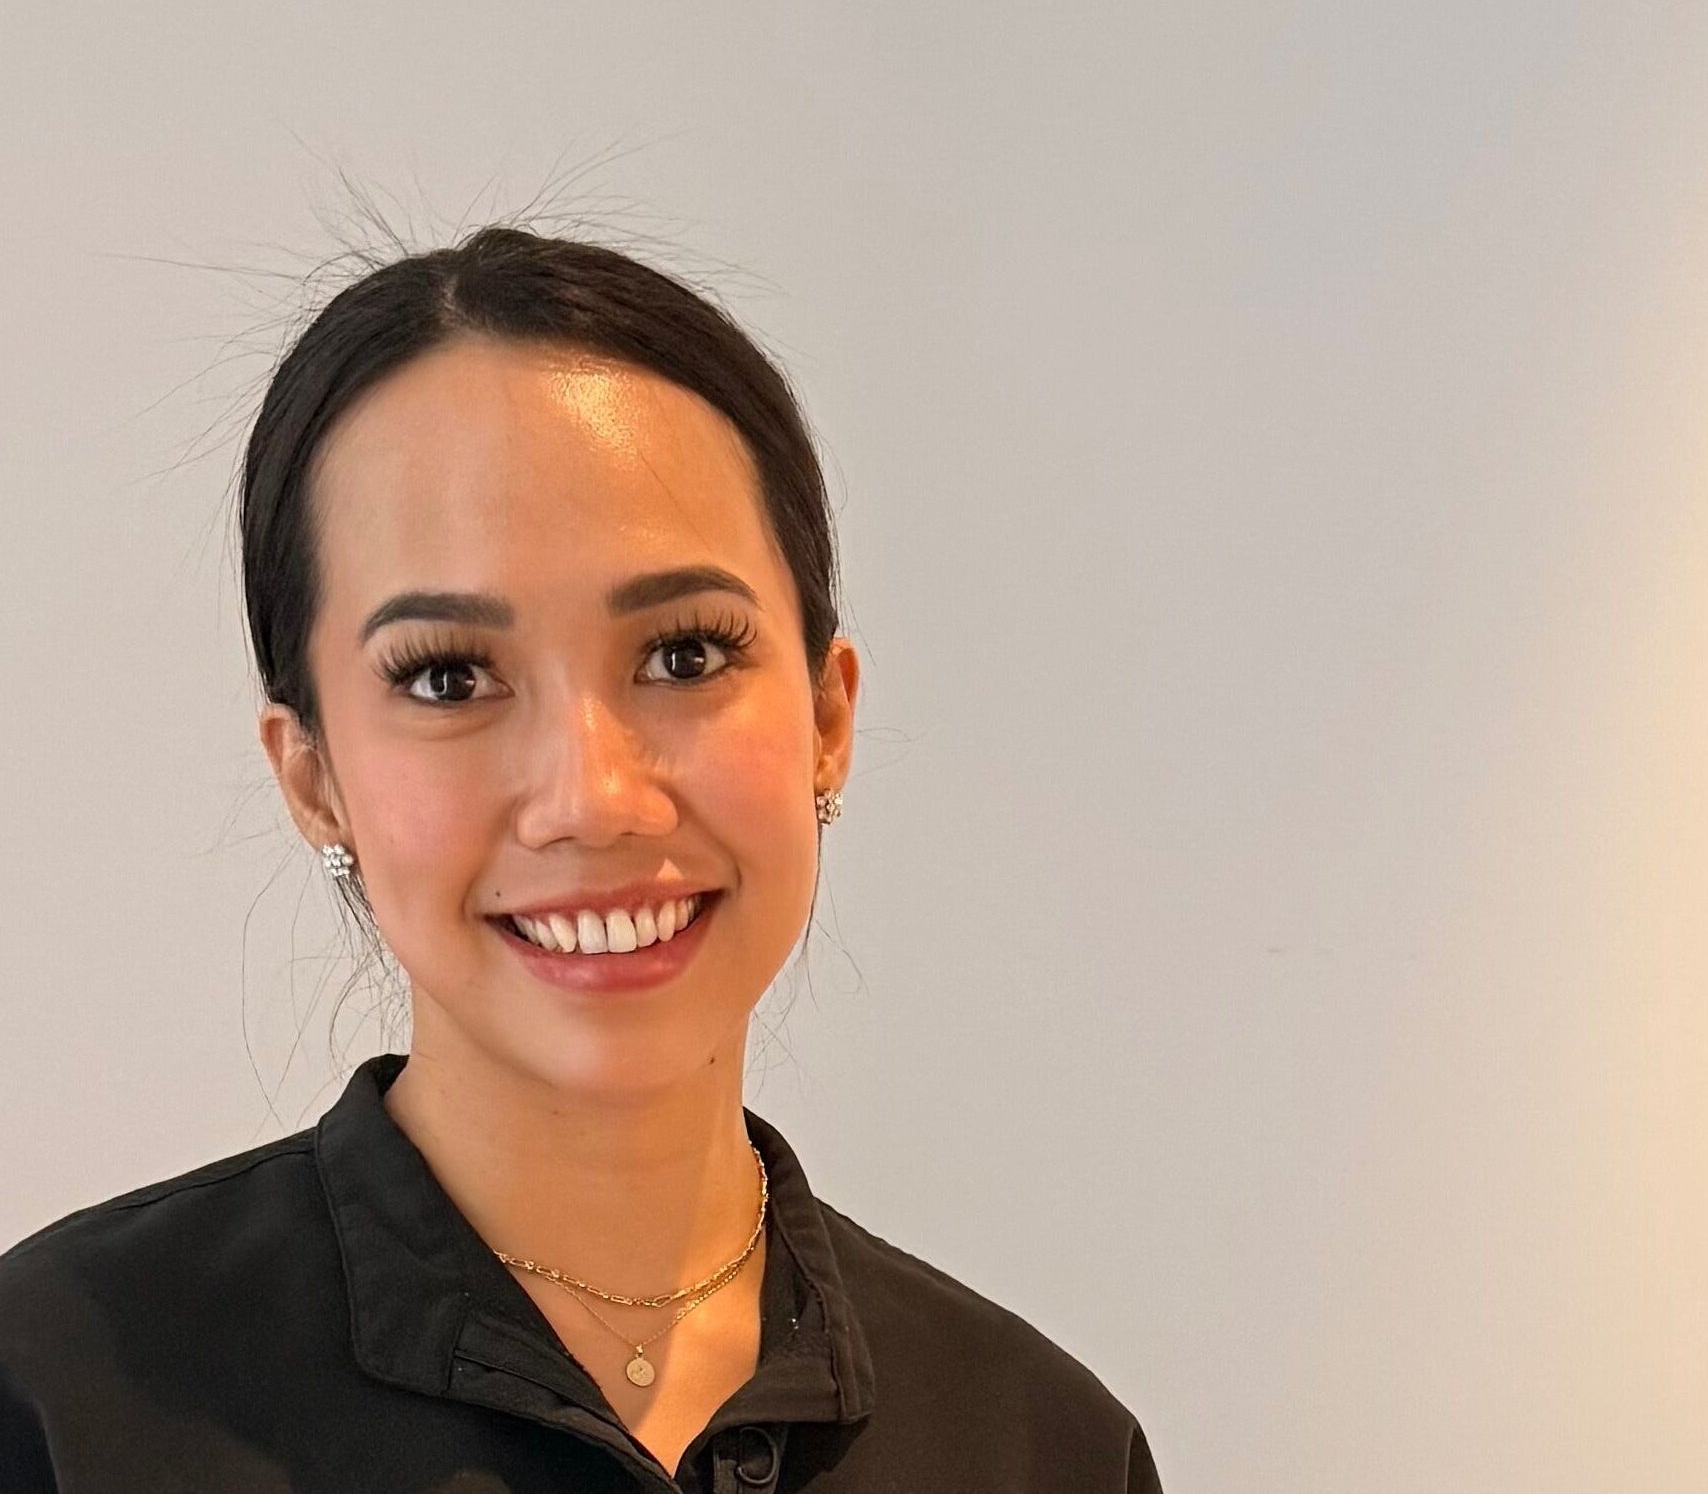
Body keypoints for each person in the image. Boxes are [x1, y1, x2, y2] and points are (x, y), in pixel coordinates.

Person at [0, 227, 1163, 1491]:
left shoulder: (1039, 1444)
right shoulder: (63, 1395)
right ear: (314, 775)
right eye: (449, 676)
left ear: (827, 716)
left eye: (684, 655)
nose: (593, 798)